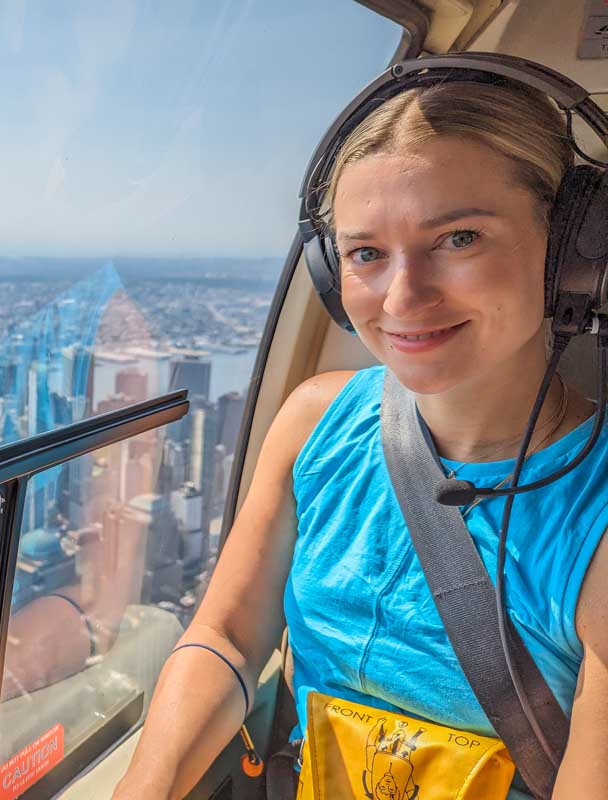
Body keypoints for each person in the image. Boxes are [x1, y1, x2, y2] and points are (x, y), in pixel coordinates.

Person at [112, 74, 608, 798]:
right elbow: (226, 637)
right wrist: (144, 786)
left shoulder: (594, 514)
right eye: (366, 253)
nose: (403, 297)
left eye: (459, 238)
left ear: (573, 255)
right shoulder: (314, 423)